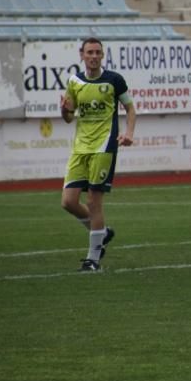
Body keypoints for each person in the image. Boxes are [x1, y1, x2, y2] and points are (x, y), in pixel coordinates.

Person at [59, 37, 136, 272]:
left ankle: (93, 259)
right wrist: (64, 109)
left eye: (97, 52)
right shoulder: (74, 82)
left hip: (104, 146)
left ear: (102, 55)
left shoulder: (114, 80)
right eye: (89, 52)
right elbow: (69, 117)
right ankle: (102, 233)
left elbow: (130, 108)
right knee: (68, 202)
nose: (93, 56)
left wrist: (128, 132)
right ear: (81, 55)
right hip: (80, 147)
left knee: (93, 201)